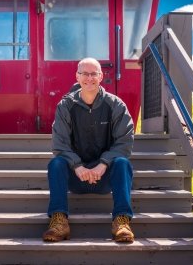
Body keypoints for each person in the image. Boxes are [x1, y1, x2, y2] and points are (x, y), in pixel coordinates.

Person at [42, 57, 135, 243]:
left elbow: (124, 142)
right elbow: (59, 144)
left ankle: (121, 221)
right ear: (77, 76)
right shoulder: (65, 106)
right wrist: (77, 166)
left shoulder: (116, 105)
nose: (89, 78)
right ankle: (59, 221)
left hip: (105, 176)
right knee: (56, 163)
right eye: (85, 73)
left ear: (101, 76)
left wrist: (103, 164)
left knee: (122, 163)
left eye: (94, 74)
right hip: (76, 176)